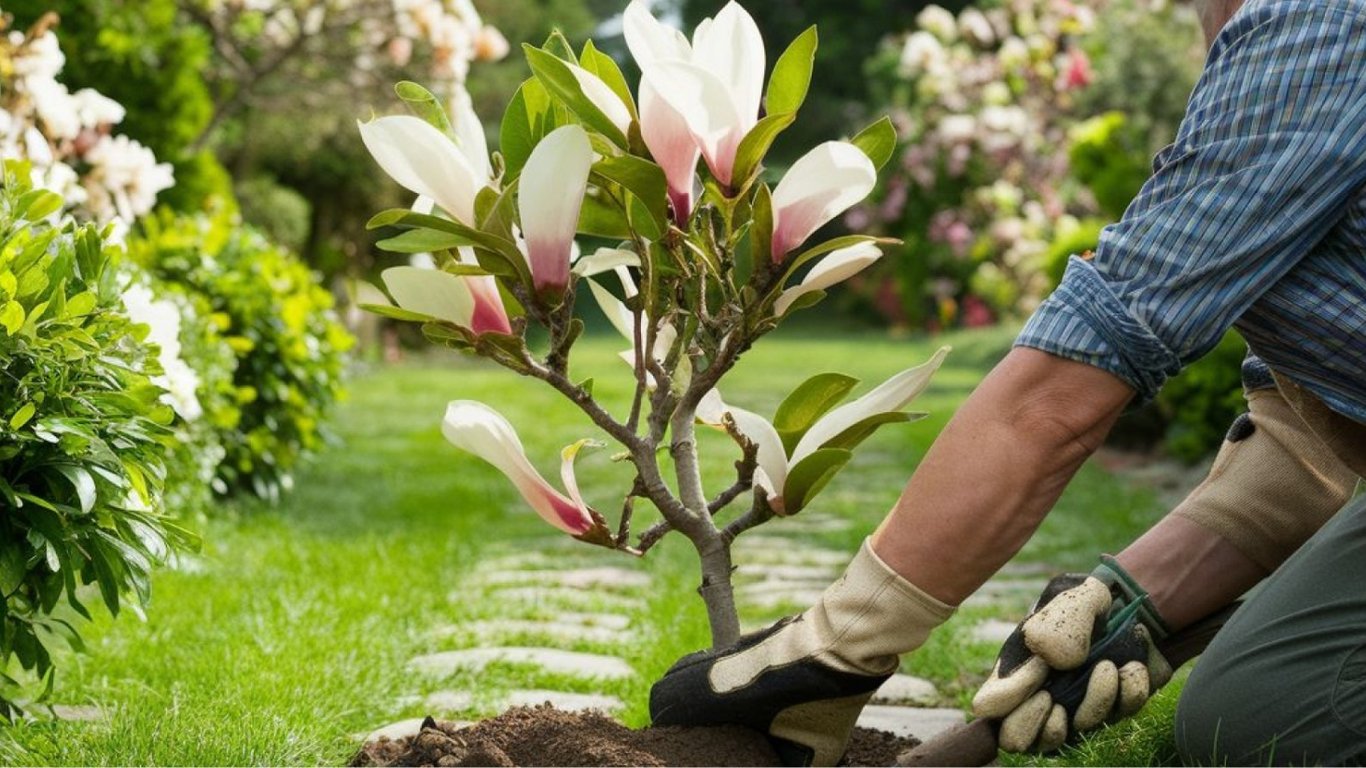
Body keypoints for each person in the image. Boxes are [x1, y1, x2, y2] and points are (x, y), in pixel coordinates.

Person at [647, 0, 1366, 763]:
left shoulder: (1325, 24)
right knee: (1264, 703)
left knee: (1288, 721)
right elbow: (1304, 437)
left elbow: (1074, 376)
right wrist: (1134, 608)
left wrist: (841, 639)